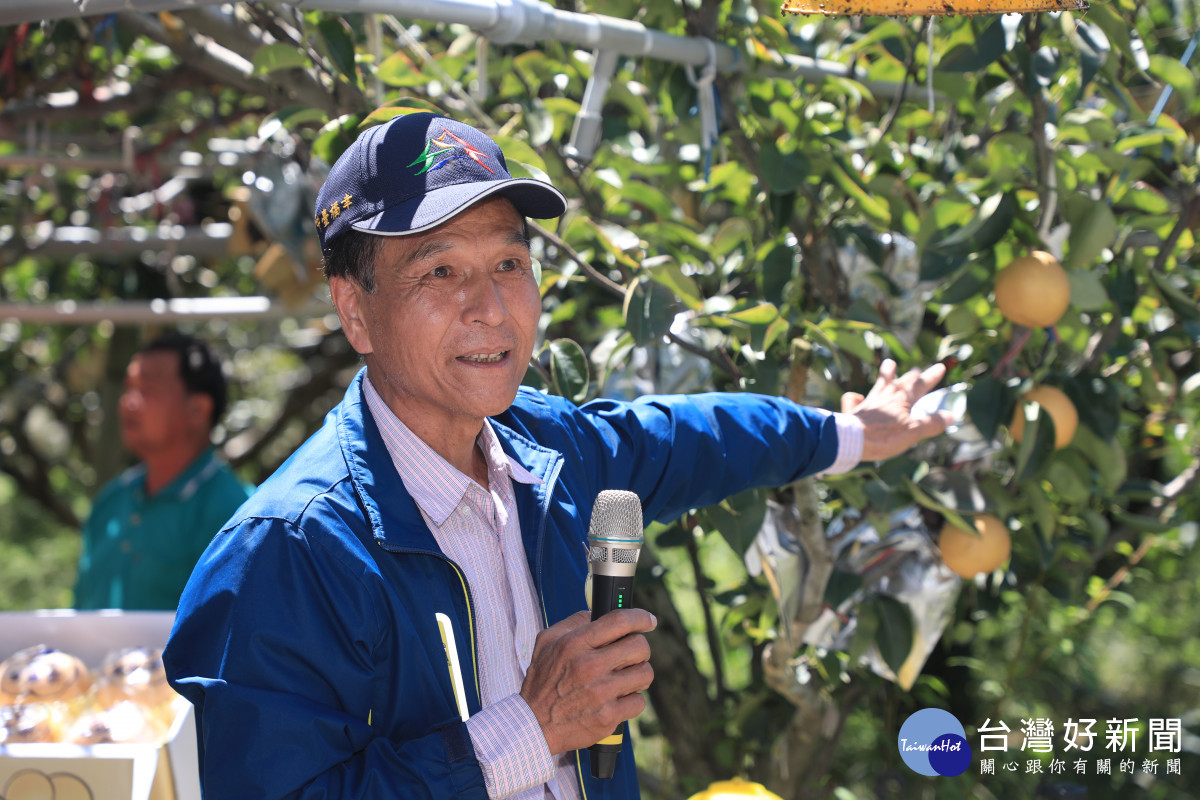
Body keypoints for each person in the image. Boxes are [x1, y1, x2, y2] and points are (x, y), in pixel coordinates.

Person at [163, 113, 952, 799]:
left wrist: (854, 435)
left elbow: (698, 441)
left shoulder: (543, 453)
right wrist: (530, 729)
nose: (492, 308)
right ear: (355, 312)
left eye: (510, 265)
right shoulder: (291, 553)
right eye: (440, 271)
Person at [74, 333, 253, 611]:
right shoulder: (110, 501)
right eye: (128, 388)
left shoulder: (237, 515)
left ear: (198, 409)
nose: (127, 402)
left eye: (147, 390)